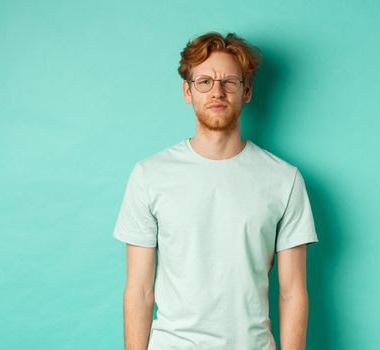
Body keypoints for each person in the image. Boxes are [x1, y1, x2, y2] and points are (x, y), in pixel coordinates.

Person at [113, 31, 319, 350]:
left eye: (229, 82)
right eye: (204, 81)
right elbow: (139, 290)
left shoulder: (284, 179)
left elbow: (293, 291)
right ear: (187, 90)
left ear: (246, 91)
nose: (217, 92)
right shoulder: (149, 175)